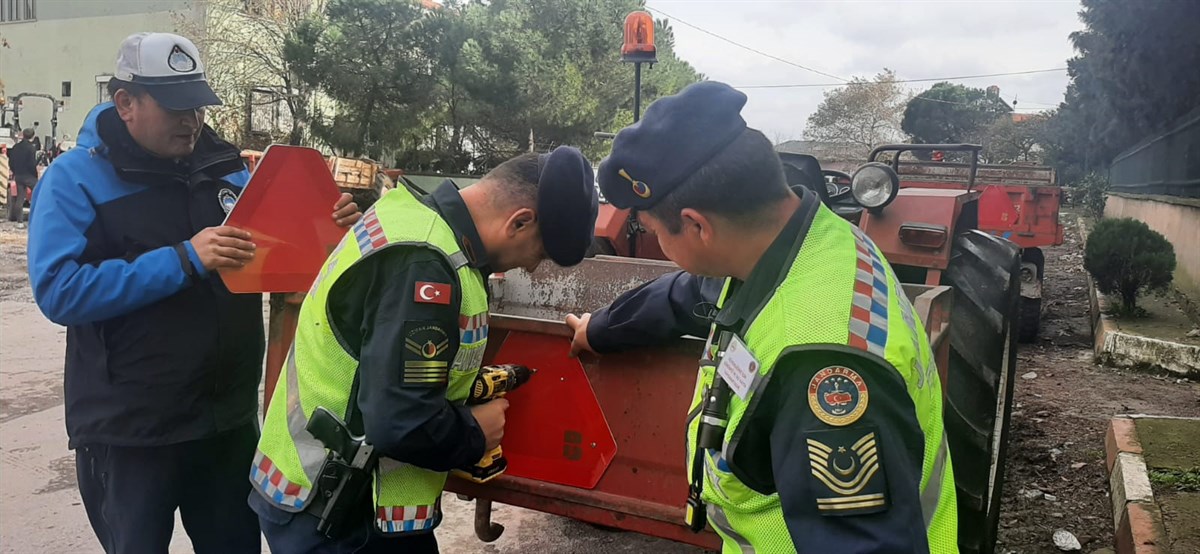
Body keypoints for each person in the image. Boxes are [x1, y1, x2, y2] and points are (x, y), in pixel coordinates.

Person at [565, 81, 958, 553]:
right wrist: (600, 330)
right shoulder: (807, 239)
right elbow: (690, 289)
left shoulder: (818, 365)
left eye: (652, 231)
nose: (665, 251)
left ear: (696, 225)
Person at [27, 32, 361, 554]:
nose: (193, 120)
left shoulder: (227, 168)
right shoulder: (77, 179)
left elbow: (281, 257)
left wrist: (330, 227)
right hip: (131, 430)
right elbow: (59, 291)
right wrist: (183, 260)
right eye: (177, 107)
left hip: (224, 423)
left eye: (199, 106)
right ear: (126, 103)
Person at [248, 146, 599, 553]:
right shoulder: (425, 265)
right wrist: (474, 432)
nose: (533, 267)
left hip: (327, 499)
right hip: (339, 514)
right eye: (539, 254)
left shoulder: (408, 216)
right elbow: (400, 421)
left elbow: (377, 360)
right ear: (520, 222)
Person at [8, 128, 37, 222]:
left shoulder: (15, 147)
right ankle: (37, 216)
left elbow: (10, 162)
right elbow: (32, 164)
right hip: (29, 176)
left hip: (19, 176)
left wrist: (15, 171)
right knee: (40, 192)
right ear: (33, 136)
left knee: (20, 198)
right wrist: (35, 175)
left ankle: (19, 221)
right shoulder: (31, 148)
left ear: (23, 135)